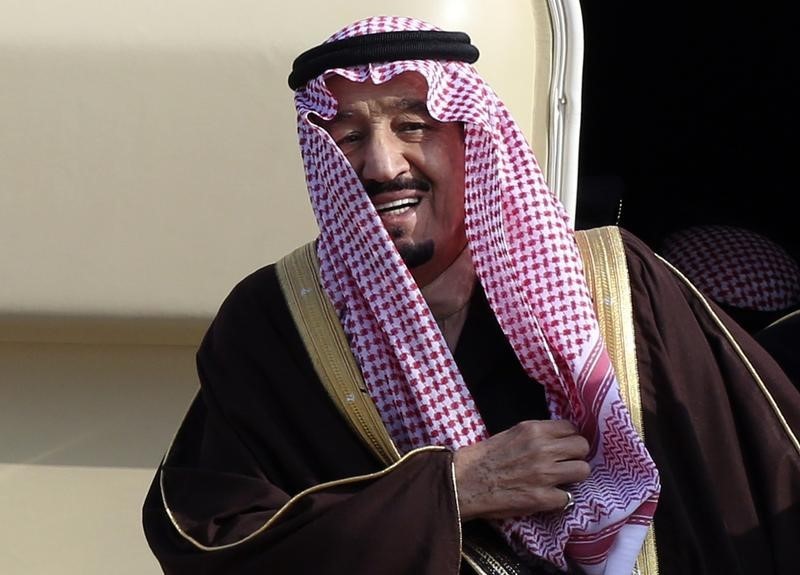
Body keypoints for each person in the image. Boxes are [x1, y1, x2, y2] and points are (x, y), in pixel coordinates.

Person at [142, 16, 800, 575]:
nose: (383, 164)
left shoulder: (619, 286)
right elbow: (209, 538)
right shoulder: (276, 323)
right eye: (348, 136)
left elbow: (770, 473)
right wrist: (451, 489)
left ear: (471, 138)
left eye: (413, 124)